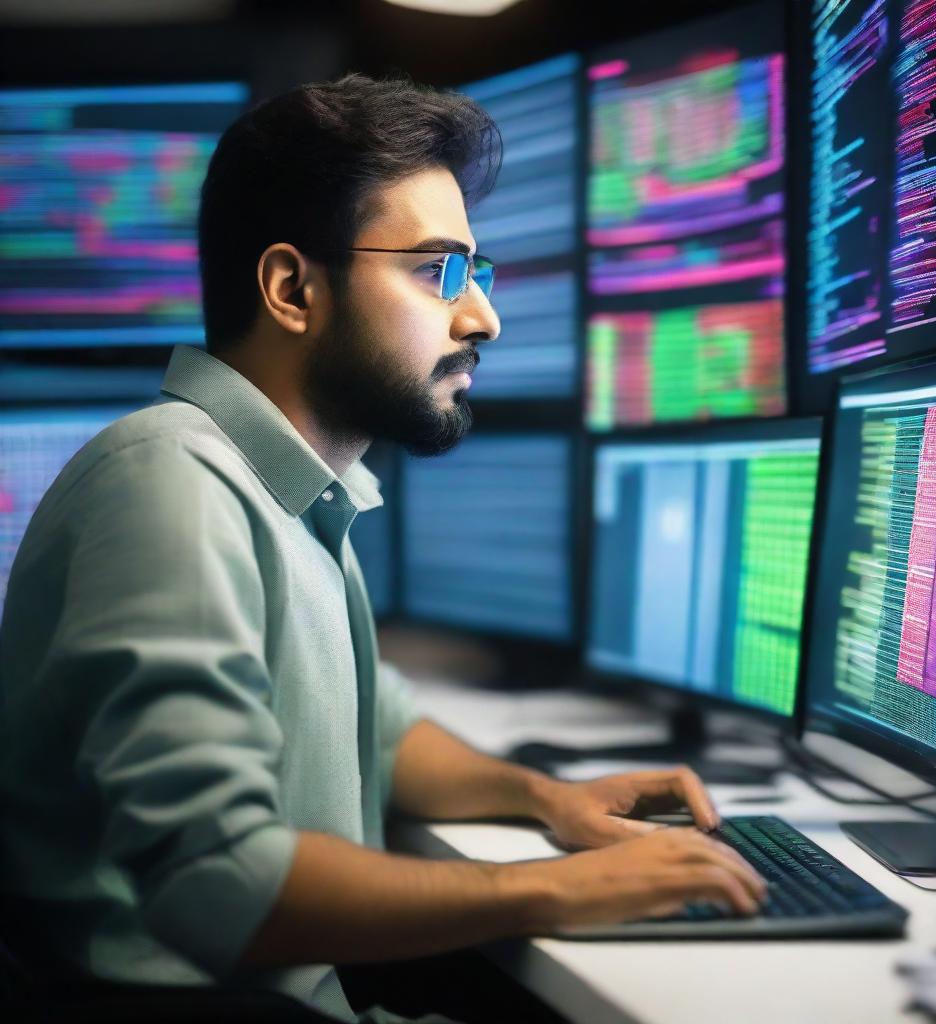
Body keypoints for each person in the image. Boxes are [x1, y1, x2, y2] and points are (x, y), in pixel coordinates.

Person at [0, 73, 765, 1024]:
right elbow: (220, 885)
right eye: (435, 269)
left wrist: (546, 800)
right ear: (290, 289)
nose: (482, 317)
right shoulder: (171, 489)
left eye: (476, 273)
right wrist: (557, 891)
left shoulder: (287, 490)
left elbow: (380, 730)